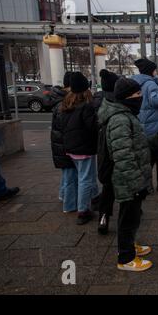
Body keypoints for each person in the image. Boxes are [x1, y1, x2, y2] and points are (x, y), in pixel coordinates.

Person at [97, 77, 154, 272]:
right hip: (128, 180)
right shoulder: (120, 119)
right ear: (127, 96)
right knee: (127, 218)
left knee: (132, 216)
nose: (140, 98)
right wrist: (137, 183)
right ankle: (126, 257)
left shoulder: (126, 114)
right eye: (138, 94)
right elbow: (123, 156)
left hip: (131, 178)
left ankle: (130, 246)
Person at [60, 72, 98, 225]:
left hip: (71, 149)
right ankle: (83, 210)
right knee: (85, 179)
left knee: (79, 177)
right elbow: (93, 127)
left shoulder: (66, 106)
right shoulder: (86, 107)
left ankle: (88, 200)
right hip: (84, 149)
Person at [132, 58, 158, 192]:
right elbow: (156, 101)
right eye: (155, 70)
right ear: (151, 71)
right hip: (155, 128)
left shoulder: (137, 83)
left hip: (143, 126)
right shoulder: (150, 84)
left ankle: (147, 184)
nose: (156, 72)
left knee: (147, 159)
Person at [95, 70, 119, 234]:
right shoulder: (117, 100)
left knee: (107, 185)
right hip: (116, 144)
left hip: (102, 147)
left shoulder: (95, 99)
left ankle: (103, 217)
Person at [50, 71, 73, 202]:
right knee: (68, 172)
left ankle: (63, 194)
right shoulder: (64, 103)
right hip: (64, 145)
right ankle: (67, 199)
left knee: (67, 172)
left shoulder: (59, 99)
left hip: (60, 143)